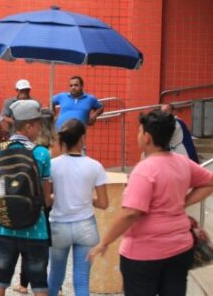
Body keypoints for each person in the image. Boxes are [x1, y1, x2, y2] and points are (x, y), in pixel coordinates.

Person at [89, 109, 213, 296]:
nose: (138, 135)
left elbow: (131, 212)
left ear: (147, 137)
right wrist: (184, 202)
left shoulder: (144, 170)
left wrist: (104, 242)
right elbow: (209, 181)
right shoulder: (182, 162)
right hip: (180, 248)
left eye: (139, 131)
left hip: (144, 253)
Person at [0, 99, 53, 296]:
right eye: (38, 124)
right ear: (29, 126)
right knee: (40, 284)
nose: (40, 128)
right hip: (36, 229)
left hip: (4, 226)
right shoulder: (41, 154)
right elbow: (46, 199)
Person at [48, 119, 109, 296]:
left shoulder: (53, 165)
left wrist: (56, 197)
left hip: (59, 225)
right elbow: (104, 204)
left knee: (54, 277)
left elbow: (47, 198)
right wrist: (88, 199)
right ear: (82, 138)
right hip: (86, 227)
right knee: (81, 280)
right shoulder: (95, 166)